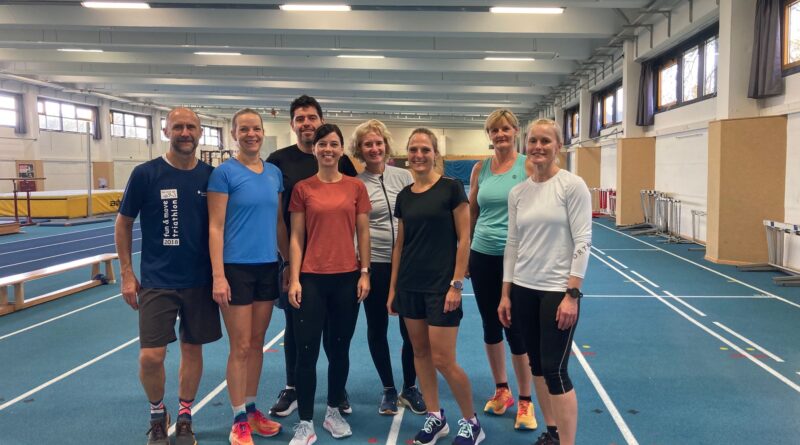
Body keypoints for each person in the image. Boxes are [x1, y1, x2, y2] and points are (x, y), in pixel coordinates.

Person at [115, 107, 222, 445]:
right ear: (166, 131)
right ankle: (158, 412)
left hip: (199, 280)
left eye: (191, 126)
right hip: (157, 281)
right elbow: (123, 223)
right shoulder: (146, 174)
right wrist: (127, 274)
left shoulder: (211, 176)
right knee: (151, 356)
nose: (185, 132)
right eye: (178, 126)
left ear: (200, 132)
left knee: (193, 351)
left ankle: (186, 414)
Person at [388, 128, 485, 445]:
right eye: (413, 150)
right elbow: (400, 245)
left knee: (444, 359)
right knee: (420, 353)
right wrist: (392, 291)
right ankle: (435, 416)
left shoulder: (451, 188)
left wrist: (456, 284)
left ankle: (471, 421)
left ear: (434, 153)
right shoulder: (404, 196)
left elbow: (464, 239)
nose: (418, 155)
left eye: (425, 150)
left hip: (441, 288)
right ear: (407, 154)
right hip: (409, 287)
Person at [498, 119, 592, 445]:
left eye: (545, 141)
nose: (538, 146)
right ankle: (551, 433)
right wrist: (506, 293)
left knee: (555, 370)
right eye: (533, 141)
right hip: (523, 289)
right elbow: (512, 244)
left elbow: (583, 241)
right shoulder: (518, 192)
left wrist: (572, 294)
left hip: (557, 292)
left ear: (558, 147)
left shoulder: (572, 185)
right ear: (526, 146)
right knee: (536, 366)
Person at [266, 95, 358, 419]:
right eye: (300, 118)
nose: (306, 123)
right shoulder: (278, 161)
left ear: (321, 121)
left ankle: (337, 390)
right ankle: (293, 387)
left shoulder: (342, 162)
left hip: (338, 266)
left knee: (337, 330)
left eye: (311, 118)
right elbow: (279, 219)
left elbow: (352, 209)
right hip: (296, 262)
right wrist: (288, 264)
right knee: (295, 328)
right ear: (292, 124)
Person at [287, 123, 372, 445]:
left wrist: (365, 272)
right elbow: (296, 237)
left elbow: (362, 232)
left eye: (334, 144)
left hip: (346, 279)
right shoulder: (302, 188)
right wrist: (294, 277)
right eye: (322, 144)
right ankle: (305, 421)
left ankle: (333, 410)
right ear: (314, 148)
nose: (328, 149)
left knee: (339, 351)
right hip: (311, 280)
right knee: (306, 352)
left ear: (341, 150)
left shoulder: (355, 188)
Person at [208, 109, 287, 445]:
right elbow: (215, 226)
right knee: (239, 346)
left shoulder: (274, 173)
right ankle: (238, 417)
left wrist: (289, 265)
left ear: (263, 132)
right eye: (244, 129)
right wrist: (218, 275)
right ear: (234, 133)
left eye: (256, 128)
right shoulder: (223, 174)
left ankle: (252, 409)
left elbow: (280, 223)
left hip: (268, 266)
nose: (251, 134)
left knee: (256, 344)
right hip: (236, 268)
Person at [351, 119, 426, 416]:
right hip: (376, 264)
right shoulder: (356, 184)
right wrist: (363, 268)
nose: (374, 148)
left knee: (411, 329)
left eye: (378, 143)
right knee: (377, 327)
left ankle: (410, 386)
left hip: (407, 264)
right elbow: (356, 228)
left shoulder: (404, 175)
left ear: (386, 146)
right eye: (368, 144)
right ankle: (388, 388)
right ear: (360, 149)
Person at [467, 109, 536, 430]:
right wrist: (466, 253)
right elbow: (473, 211)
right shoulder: (480, 169)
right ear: (489, 135)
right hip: (482, 255)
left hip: (518, 261)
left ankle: (525, 401)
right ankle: (502, 390)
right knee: (490, 326)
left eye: (506, 128)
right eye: (494, 130)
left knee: (516, 329)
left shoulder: (529, 166)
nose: (500, 134)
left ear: (515, 131)